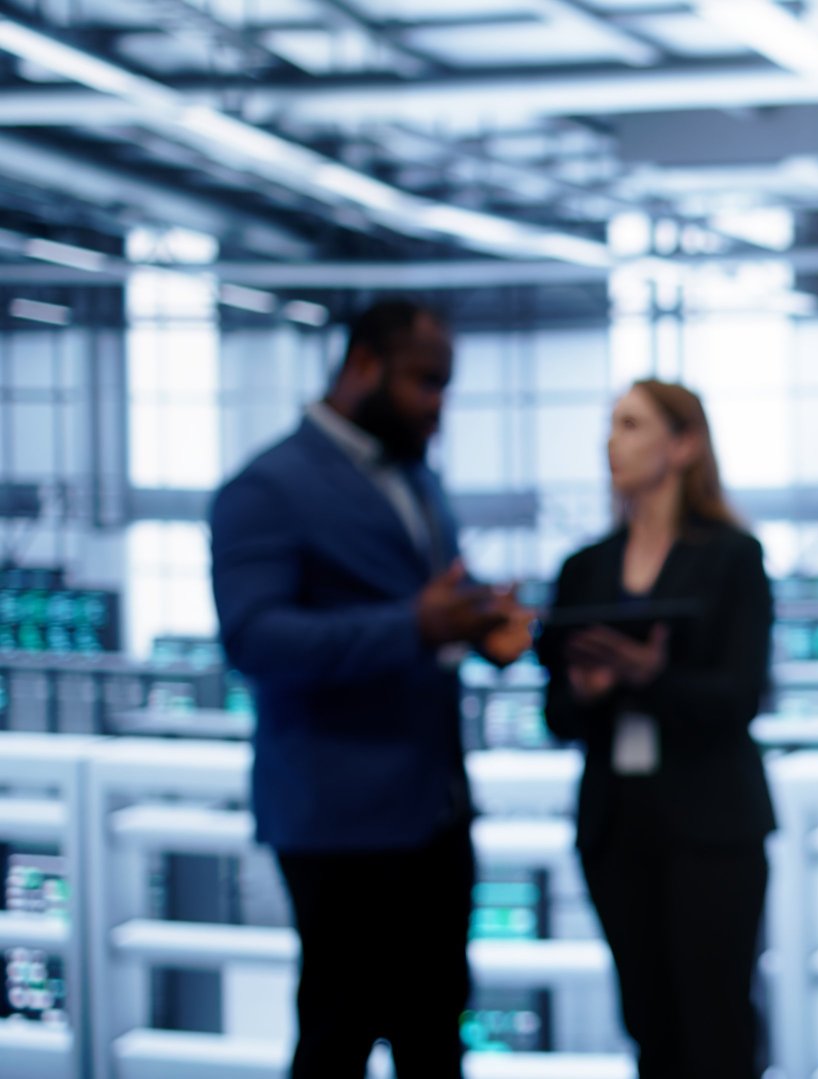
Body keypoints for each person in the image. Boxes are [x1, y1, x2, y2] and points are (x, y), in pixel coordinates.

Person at [209, 299, 531, 1078]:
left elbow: (422, 599)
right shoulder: (266, 488)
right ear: (362, 365)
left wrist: (476, 622)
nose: (438, 405)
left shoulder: (416, 477)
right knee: (338, 1036)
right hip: (338, 819)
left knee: (436, 1036)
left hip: (435, 809)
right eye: (426, 381)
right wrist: (414, 625)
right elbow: (255, 639)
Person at [538, 379, 775, 1079]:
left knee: (718, 1025)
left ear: (684, 444)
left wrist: (648, 677)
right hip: (618, 828)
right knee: (648, 1023)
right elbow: (555, 716)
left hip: (712, 827)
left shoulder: (732, 557)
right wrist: (589, 691)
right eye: (612, 423)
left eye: (632, 424)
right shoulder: (583, 569)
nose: (611, 441)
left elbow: (740, 698)